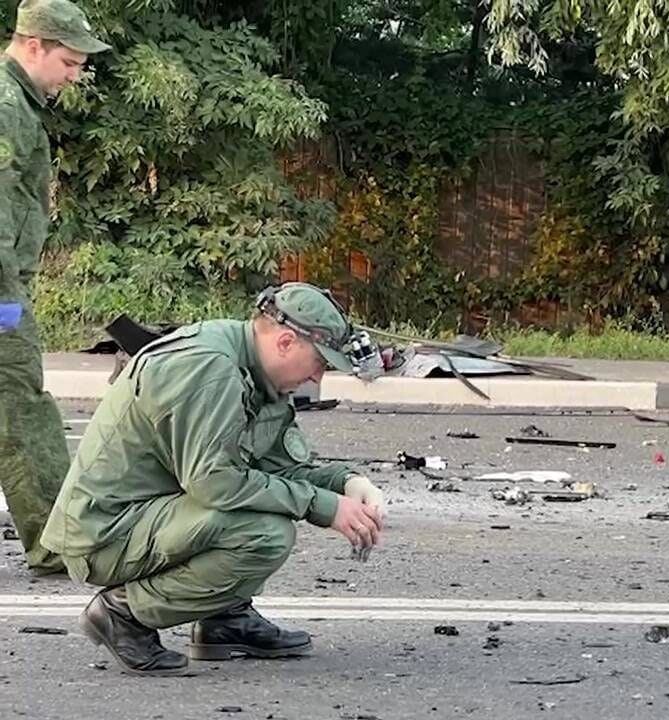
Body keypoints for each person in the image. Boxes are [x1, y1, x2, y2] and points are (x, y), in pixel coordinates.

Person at [40, 282, 388, 676]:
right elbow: (215, 483)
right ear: (287, 342)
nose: (318, 377)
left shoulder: (256, 371)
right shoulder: (210, 368)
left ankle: (224, 620)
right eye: (320, 362)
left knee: (263, 508)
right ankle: (123, 614)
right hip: (105, 533)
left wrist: (347, 484)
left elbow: (277, 468)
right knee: (264, 533)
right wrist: (322, 506)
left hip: (152, 516)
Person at [0, 0, 110, 575]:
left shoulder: (15, 101)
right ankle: (53, 541)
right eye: (68, 62)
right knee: (20, 405)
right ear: (34, 46)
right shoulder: (5, 106)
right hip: (0, 295)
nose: (74, 75)